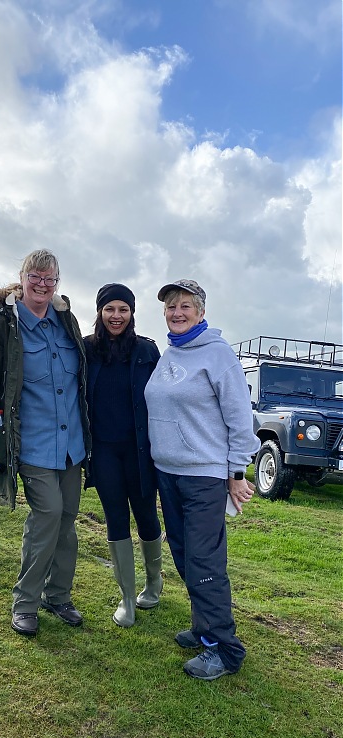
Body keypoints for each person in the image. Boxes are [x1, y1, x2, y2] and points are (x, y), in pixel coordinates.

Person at [0, 249, 91, 637]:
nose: (41, 284)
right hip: (32, 445)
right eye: (34, 277)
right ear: (21, 278)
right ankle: (25, 603)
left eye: (49, 278)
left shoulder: (66, 321)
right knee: (48, 516)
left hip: (72, 445)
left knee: (68, 521)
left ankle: (58, 596)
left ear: (58, 282)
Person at [144, 279, 260, 679]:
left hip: (204, 476)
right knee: (182, 552)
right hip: (169, 473)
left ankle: (224, 649)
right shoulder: (170, 354)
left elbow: (240, 420)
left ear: (202, 312)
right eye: (171, 306)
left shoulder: (218, 355)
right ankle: (202, 626)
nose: (177, 312)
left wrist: (236, 473)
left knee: (204, 559)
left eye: (186, 306)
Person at [84, 283, 162, 627]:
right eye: (109, 309)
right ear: (99, 312)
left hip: (140, 452)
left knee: (146, 516)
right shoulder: (85, 350)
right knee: (115, 518)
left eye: (123, 310)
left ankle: (154, 584)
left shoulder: (147, 351)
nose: (116, 316)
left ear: (132, 313)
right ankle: (127, 598)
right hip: (103, 451)